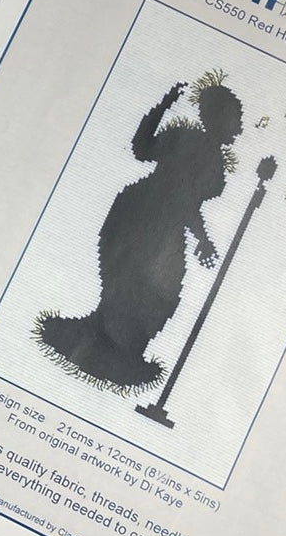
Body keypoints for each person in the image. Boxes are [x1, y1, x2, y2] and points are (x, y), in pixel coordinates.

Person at [37, 76, 242, 391]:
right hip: (144, 217)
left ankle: (112, 344)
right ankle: (108, 343)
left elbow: (186, 200)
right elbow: (147, 154)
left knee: (149, 290)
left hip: (156, 221)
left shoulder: (212, 159)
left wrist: (201, 239)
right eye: (234, 118)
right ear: (215, 116)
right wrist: (163, 106)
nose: (237, 127)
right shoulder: (190, 143)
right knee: (140, 284)